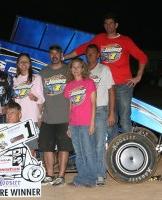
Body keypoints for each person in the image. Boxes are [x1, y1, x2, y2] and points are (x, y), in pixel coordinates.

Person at [63, 12, 148, 142]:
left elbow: (142, 57)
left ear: (116, 25)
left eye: (111, 23)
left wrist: (138, 77)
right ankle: (114, 148)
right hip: (107, 87)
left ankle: (129, 147)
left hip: (123, 86)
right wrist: (64, 57)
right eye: (106, 24)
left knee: (124, 119)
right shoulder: (100, 39)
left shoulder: (125, 40)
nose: (108, 26)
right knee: (110, 120)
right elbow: (83, 49)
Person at [39, 45, 74, 186]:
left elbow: (74, 93)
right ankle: (49, 174)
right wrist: (39, 115)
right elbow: (40, 96)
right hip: (47, 117)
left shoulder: (68, 70)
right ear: (49, 55)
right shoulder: (43, 72)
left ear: (61, 55)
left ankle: (61, 175)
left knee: (63, 147)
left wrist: (72, 118)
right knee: (46, 147)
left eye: (57, 53)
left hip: (65, 117)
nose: (54, 55)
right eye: (51, 53)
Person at [64, 57, 97, 187]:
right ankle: (81, 178)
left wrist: (92, 123)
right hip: (74, 124)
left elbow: (94, 103)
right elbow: (70, 106)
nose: (76, 69)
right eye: (74, 67)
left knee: (88, 151)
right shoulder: (69, 86)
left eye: (79, 67)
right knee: (79, 152)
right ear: (71, 70)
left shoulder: (89, 83)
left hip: (86, 123)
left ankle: (91, 179)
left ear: (83, 68)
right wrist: (68, 125)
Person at [85, 44, 115, 186]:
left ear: (98, 55)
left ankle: (100, 175)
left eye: (93, 53)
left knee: (99, 144)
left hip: (100, 110)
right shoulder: (82, 71)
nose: (90, 55)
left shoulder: (104, 69)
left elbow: (111, 91)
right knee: (88, 145)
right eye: (88, 53)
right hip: (85, 112)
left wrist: (111, 113)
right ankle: (91, 174)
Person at [13, 53, 45, 157]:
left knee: (31, 147)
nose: (24, 63)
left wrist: (35, 98)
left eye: (26, 61)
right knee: (19, 146)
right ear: (18, 64)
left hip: (32, 118)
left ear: (30, 64)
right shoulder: (14, 80)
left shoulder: (36, 78)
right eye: (21, 61)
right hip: (18, 119)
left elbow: (42, 99)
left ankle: (30, 168)